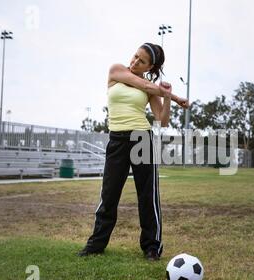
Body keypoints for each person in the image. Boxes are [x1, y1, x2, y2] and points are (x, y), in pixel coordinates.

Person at [78, 43, 189, 261]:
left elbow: (163, 120)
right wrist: (175, 97)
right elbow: (144, 86)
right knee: (109, 195)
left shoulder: (150, 87)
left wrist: (167, 98)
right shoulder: (117, 71)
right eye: (135, 56)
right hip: (116, 139)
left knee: (147, 195)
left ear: (150, 66)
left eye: (142, 61)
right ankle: (97, 244)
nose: (135, 62)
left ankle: (152, 247)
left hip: (142, 139)